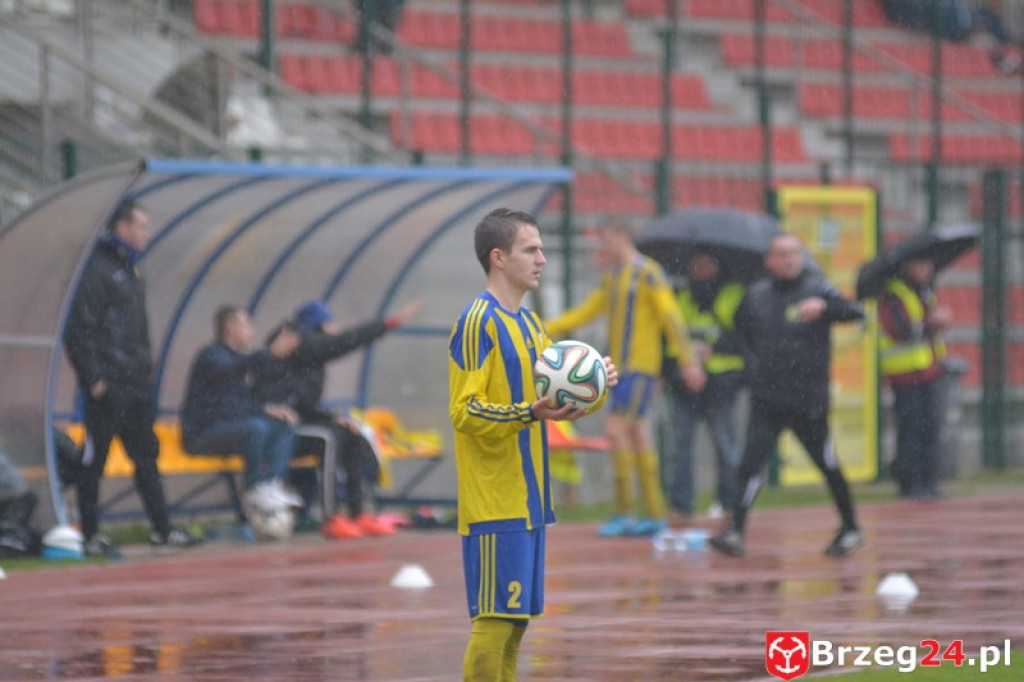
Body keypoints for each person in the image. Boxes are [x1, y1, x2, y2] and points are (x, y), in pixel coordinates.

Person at [449, 207, 617, 682]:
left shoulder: (530, 325)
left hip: (530, 500)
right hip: (494, 499)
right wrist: (528, 413)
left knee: (516, 624)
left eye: (541, 248)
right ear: (498, 258)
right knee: (494, 621)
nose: (542, 258)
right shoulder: (476, 322)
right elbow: (464, 411)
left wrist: (594, 388)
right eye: (532, 249)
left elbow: (553, 405)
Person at [709, 233, 865, 558]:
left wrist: (826, 307)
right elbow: (737, 335)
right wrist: (742, 361)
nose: (789, 260)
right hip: (768, 398)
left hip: (808, 400)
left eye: (794, 253)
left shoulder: (817, 288)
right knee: (749, 466)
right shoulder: (756, 295)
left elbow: (854, 311)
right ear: (769, 261)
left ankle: (850, 527)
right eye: (781, 254)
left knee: (826, 462)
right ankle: (735, 531)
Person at [546, 222, 705, 538]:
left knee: (615, 432)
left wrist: (688, 361)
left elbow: (670, 316)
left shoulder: (647, 273)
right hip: (620, 368)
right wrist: (541, 326)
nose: (601, 249)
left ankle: (624, 512)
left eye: (604, 240)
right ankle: (654, 514)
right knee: (638, 436)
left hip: (639, 369)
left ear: (621, 236)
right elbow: (585, 312)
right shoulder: (614, 277)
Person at [62, 200, 202, 557]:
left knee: (146, 457)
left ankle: (162, 530)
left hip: (136, 384)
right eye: (141, 226)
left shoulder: (132, 269)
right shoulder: (97, 269)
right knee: (95, 459)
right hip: (108, 384)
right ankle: (89, 534)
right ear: (121, 227)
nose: (146, 233)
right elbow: (79, 329)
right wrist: (94, 379)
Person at [255, 297, 423, 539]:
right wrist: (385, 325)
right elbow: (342, 343)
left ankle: (357, 514)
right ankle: (332, 517)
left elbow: (302, 401)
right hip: (282, 428)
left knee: (350, 433)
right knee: (328, 439)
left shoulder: (308, 355)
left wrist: (332, 417)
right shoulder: (300, 340)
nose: (334, 328)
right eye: (329, 323)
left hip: (300, 420)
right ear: (318, 325)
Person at [181, 305, 303, 516]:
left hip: (228, 431)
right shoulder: (211, 356)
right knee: (254, 428)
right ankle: (254, 490)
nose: (251, 330)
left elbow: (237, 405)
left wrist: (266, 409)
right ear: (230, 328)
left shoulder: (238, 361)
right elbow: (228, 382)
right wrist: (269, 353)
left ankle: (270, 485)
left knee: (284, 425)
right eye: (246, 324)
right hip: (201, 435)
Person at [662, 251, 745, 526]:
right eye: (695, 263)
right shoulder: (681, 295)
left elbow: (746, 335)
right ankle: (681, 505)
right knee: (680, 448)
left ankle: (729, 503)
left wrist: (717, 349)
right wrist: (680, 365)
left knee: (726, 447)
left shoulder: (733, 295)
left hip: (722, 383)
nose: (701, 268)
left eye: (708, 262)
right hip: (683, 384)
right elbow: (672, 335)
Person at [878, 258, 952, 500]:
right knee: (911, 429)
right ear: (907, 266)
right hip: (906, 375)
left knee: (930, 427)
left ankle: (929, 480)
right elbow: (901, 330)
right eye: (920, 265)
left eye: (928, 265)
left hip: (930, 371)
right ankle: (910, 483)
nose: (926, 269)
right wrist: (934, 323)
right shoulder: (894, 295)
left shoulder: (925, 293)